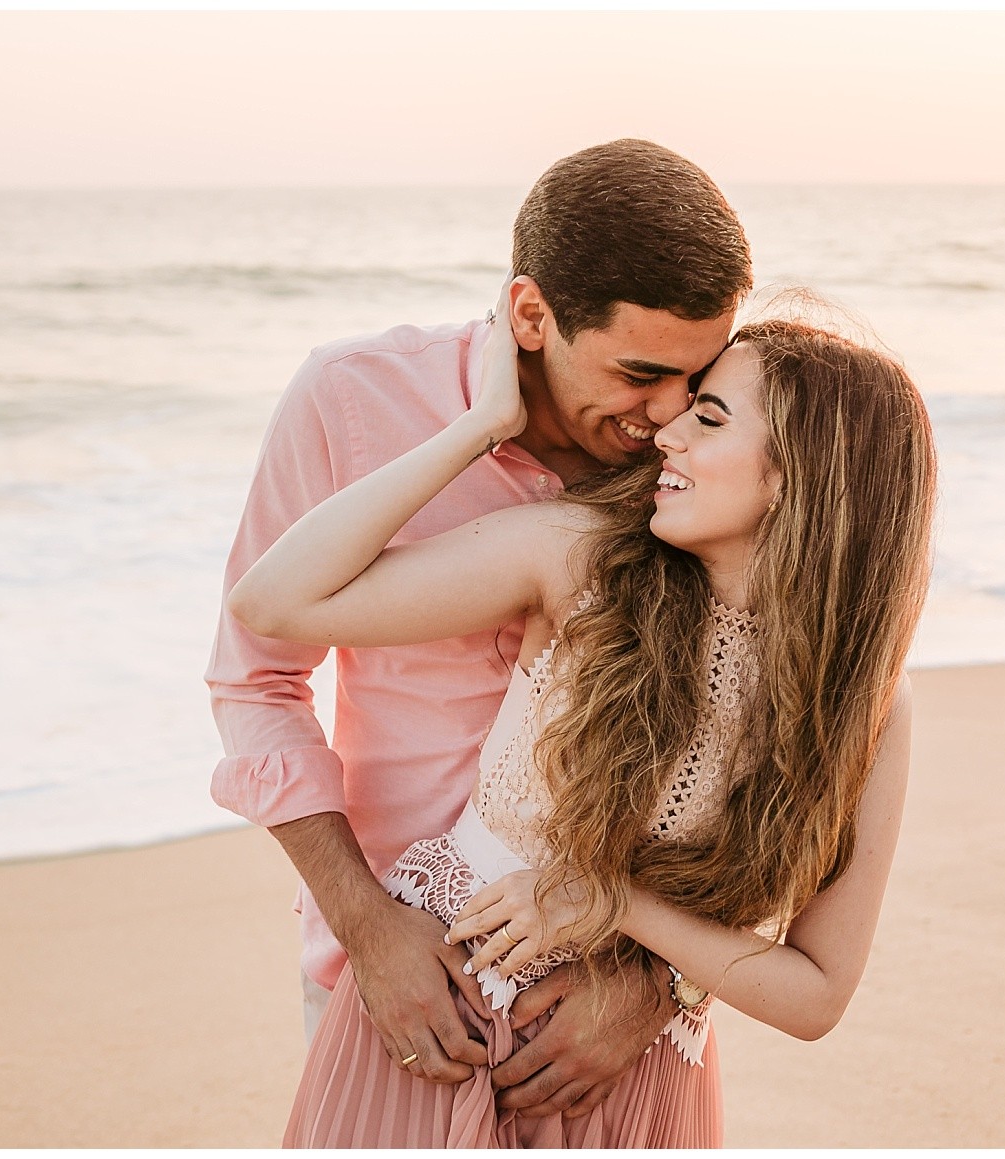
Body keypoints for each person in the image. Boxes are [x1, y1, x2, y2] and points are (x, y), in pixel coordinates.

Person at [230, 280, 936, 1145]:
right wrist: (481, 426)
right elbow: (272, 601)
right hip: (443, 1008)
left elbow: (817, 991)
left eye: (708, 418)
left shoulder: (867, 701)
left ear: (804, 478)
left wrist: (615, 909)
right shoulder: (582, 560)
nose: (665, 430)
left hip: (635, 1062)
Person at [206, 139, 752, 1119]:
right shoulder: (350, 396)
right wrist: (366, 927)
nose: (669, 413)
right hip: (396, 982)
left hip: (613, 1001)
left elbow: (766, 725)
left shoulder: (707, 453)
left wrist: (663, 981)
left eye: (696, 375)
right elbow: (255, 680)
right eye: (637, 372)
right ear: (531, 314)